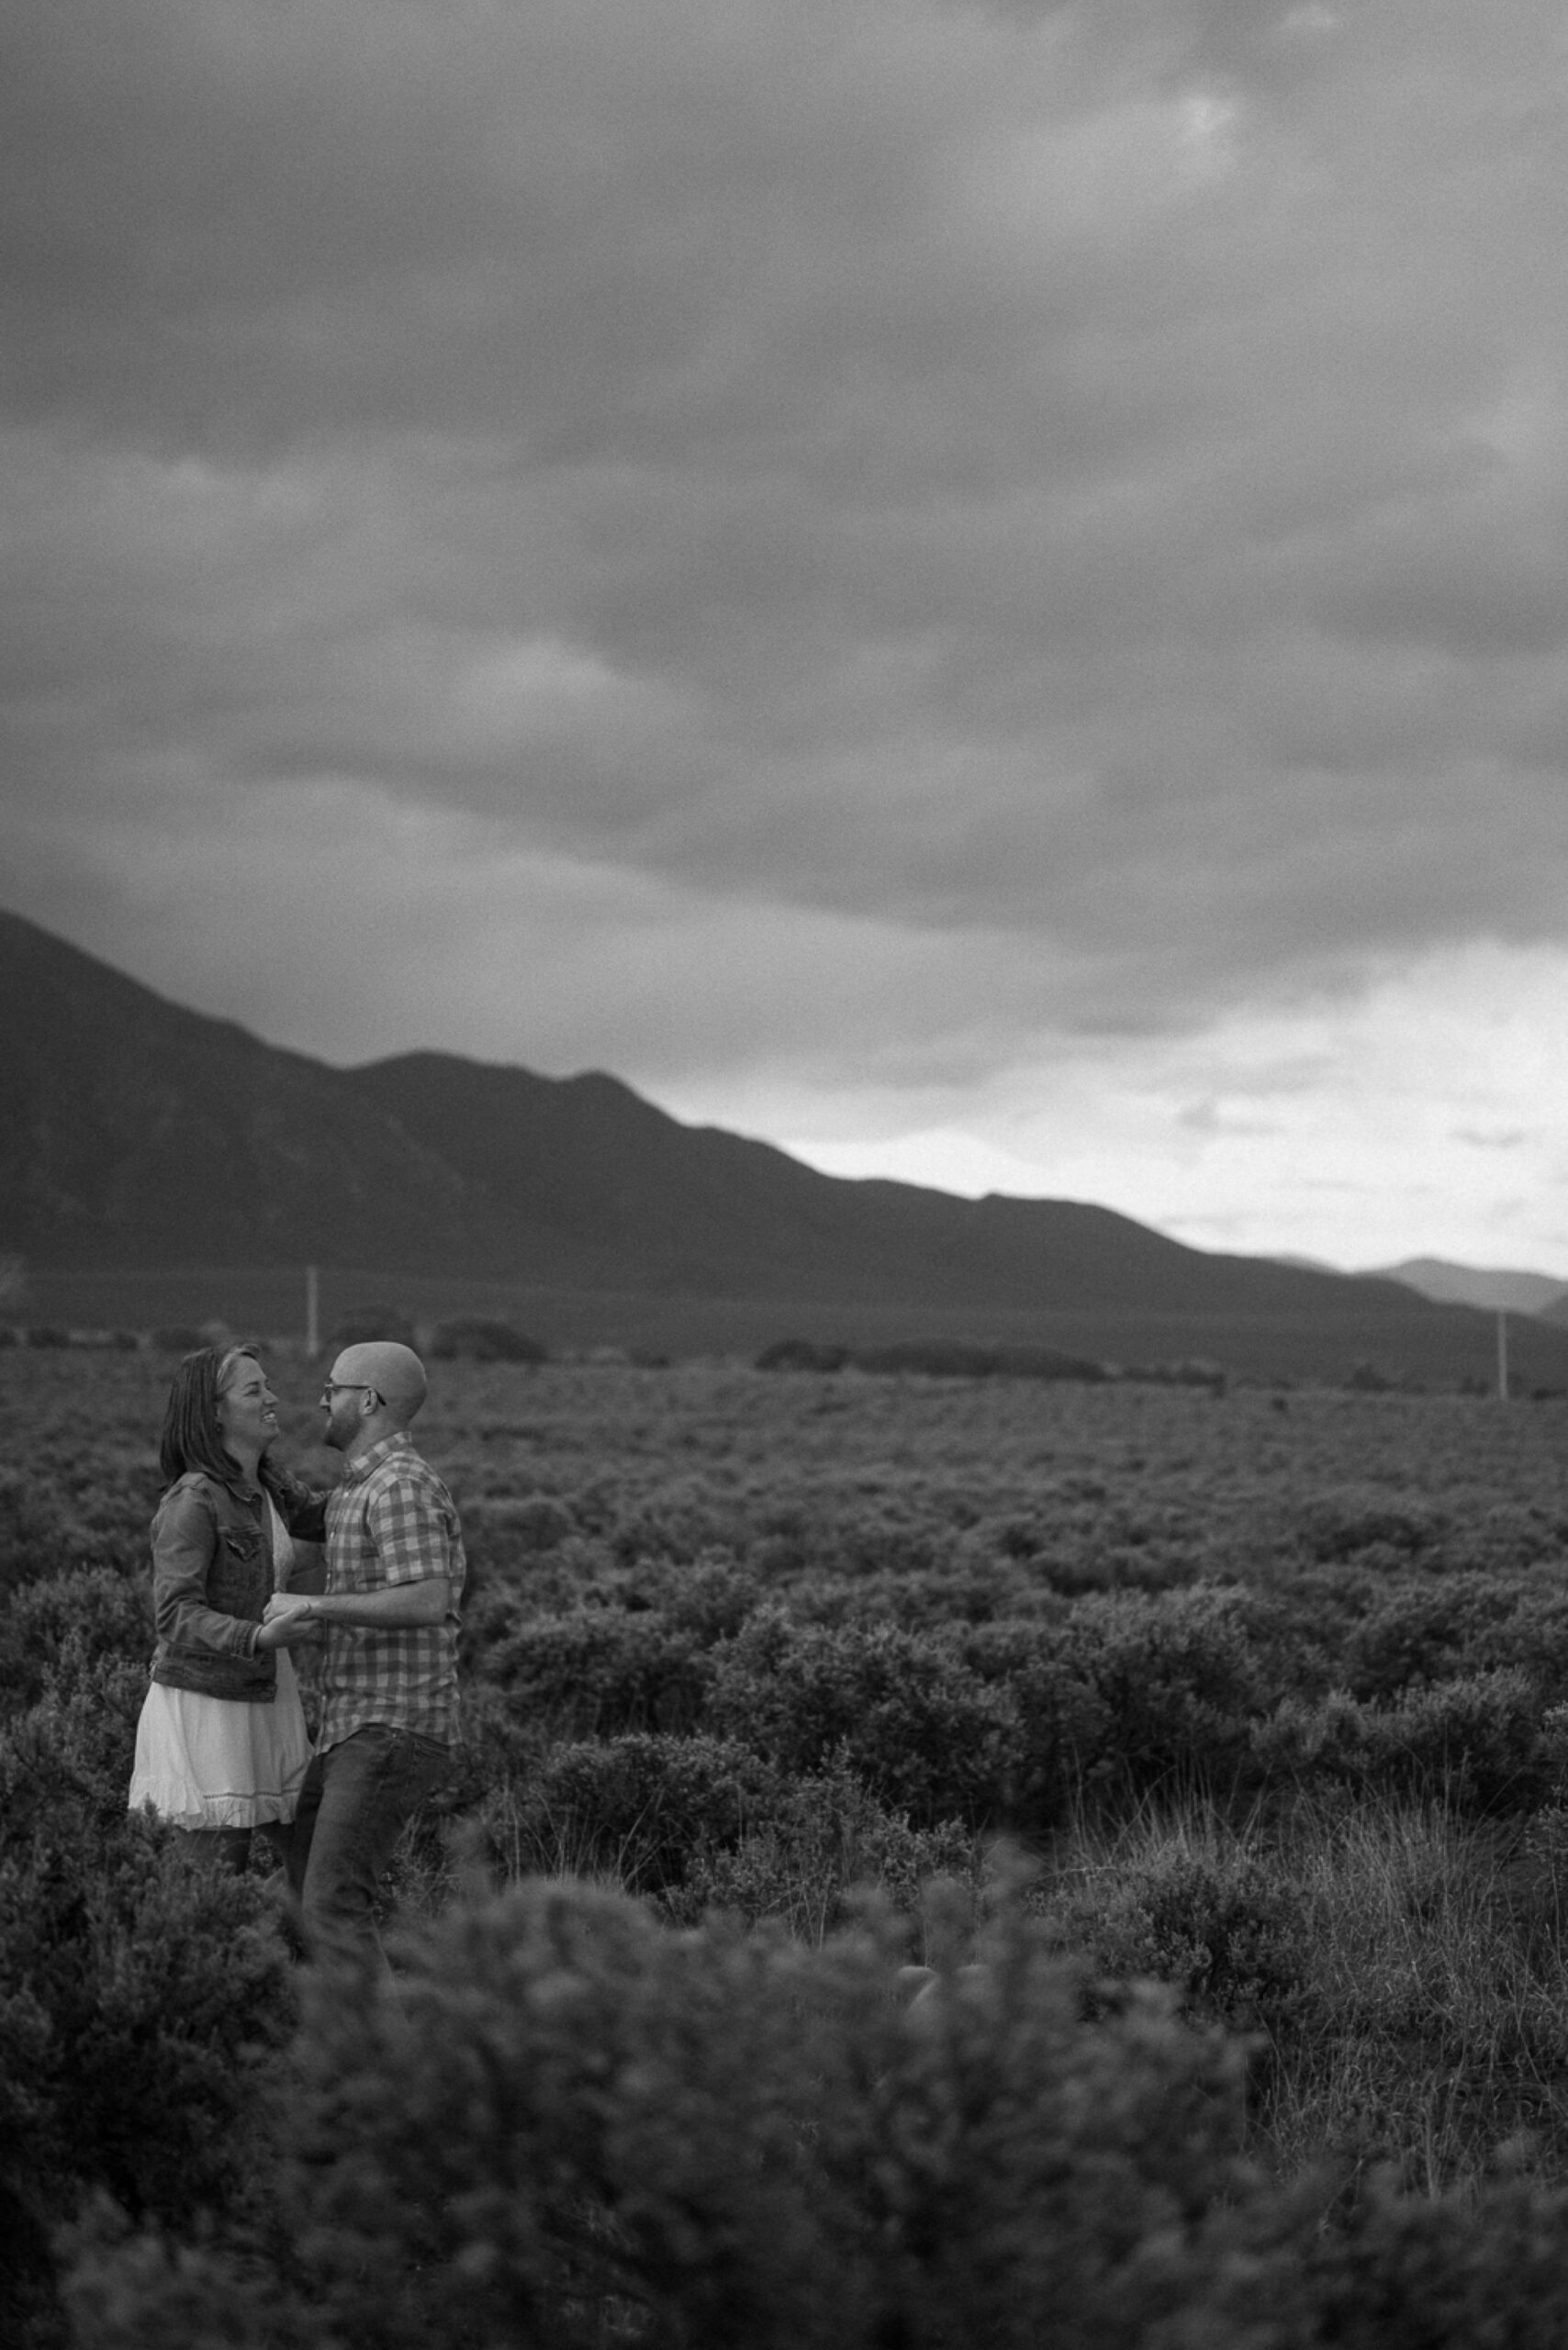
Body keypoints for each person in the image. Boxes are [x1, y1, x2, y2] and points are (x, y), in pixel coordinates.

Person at [263, 1339, 465, 1975]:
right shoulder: (358, 1487)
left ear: (369, 1400)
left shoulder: (400, 1485)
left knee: (331, 1903)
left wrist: (315, 1608)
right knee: (304, 1880)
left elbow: (427, 1598)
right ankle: (353, 2041)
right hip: (354, 1726)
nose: (323, 1397)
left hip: (391, 1724)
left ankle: (389, 2063)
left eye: (334, 1387)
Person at [129, 1344, 326, 1871]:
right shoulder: (193, 1500)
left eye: (267, 1386)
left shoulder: (269, 1487)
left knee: (314, 1868)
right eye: (254, 1389)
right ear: (214, 1411)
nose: (272, 1398)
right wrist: (259, 1637)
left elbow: (336, 1519)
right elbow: (175, 1615)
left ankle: (309, 1954)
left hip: (268, 1694)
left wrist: (390, 1469)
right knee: (216, 1878)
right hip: (209, 1706)